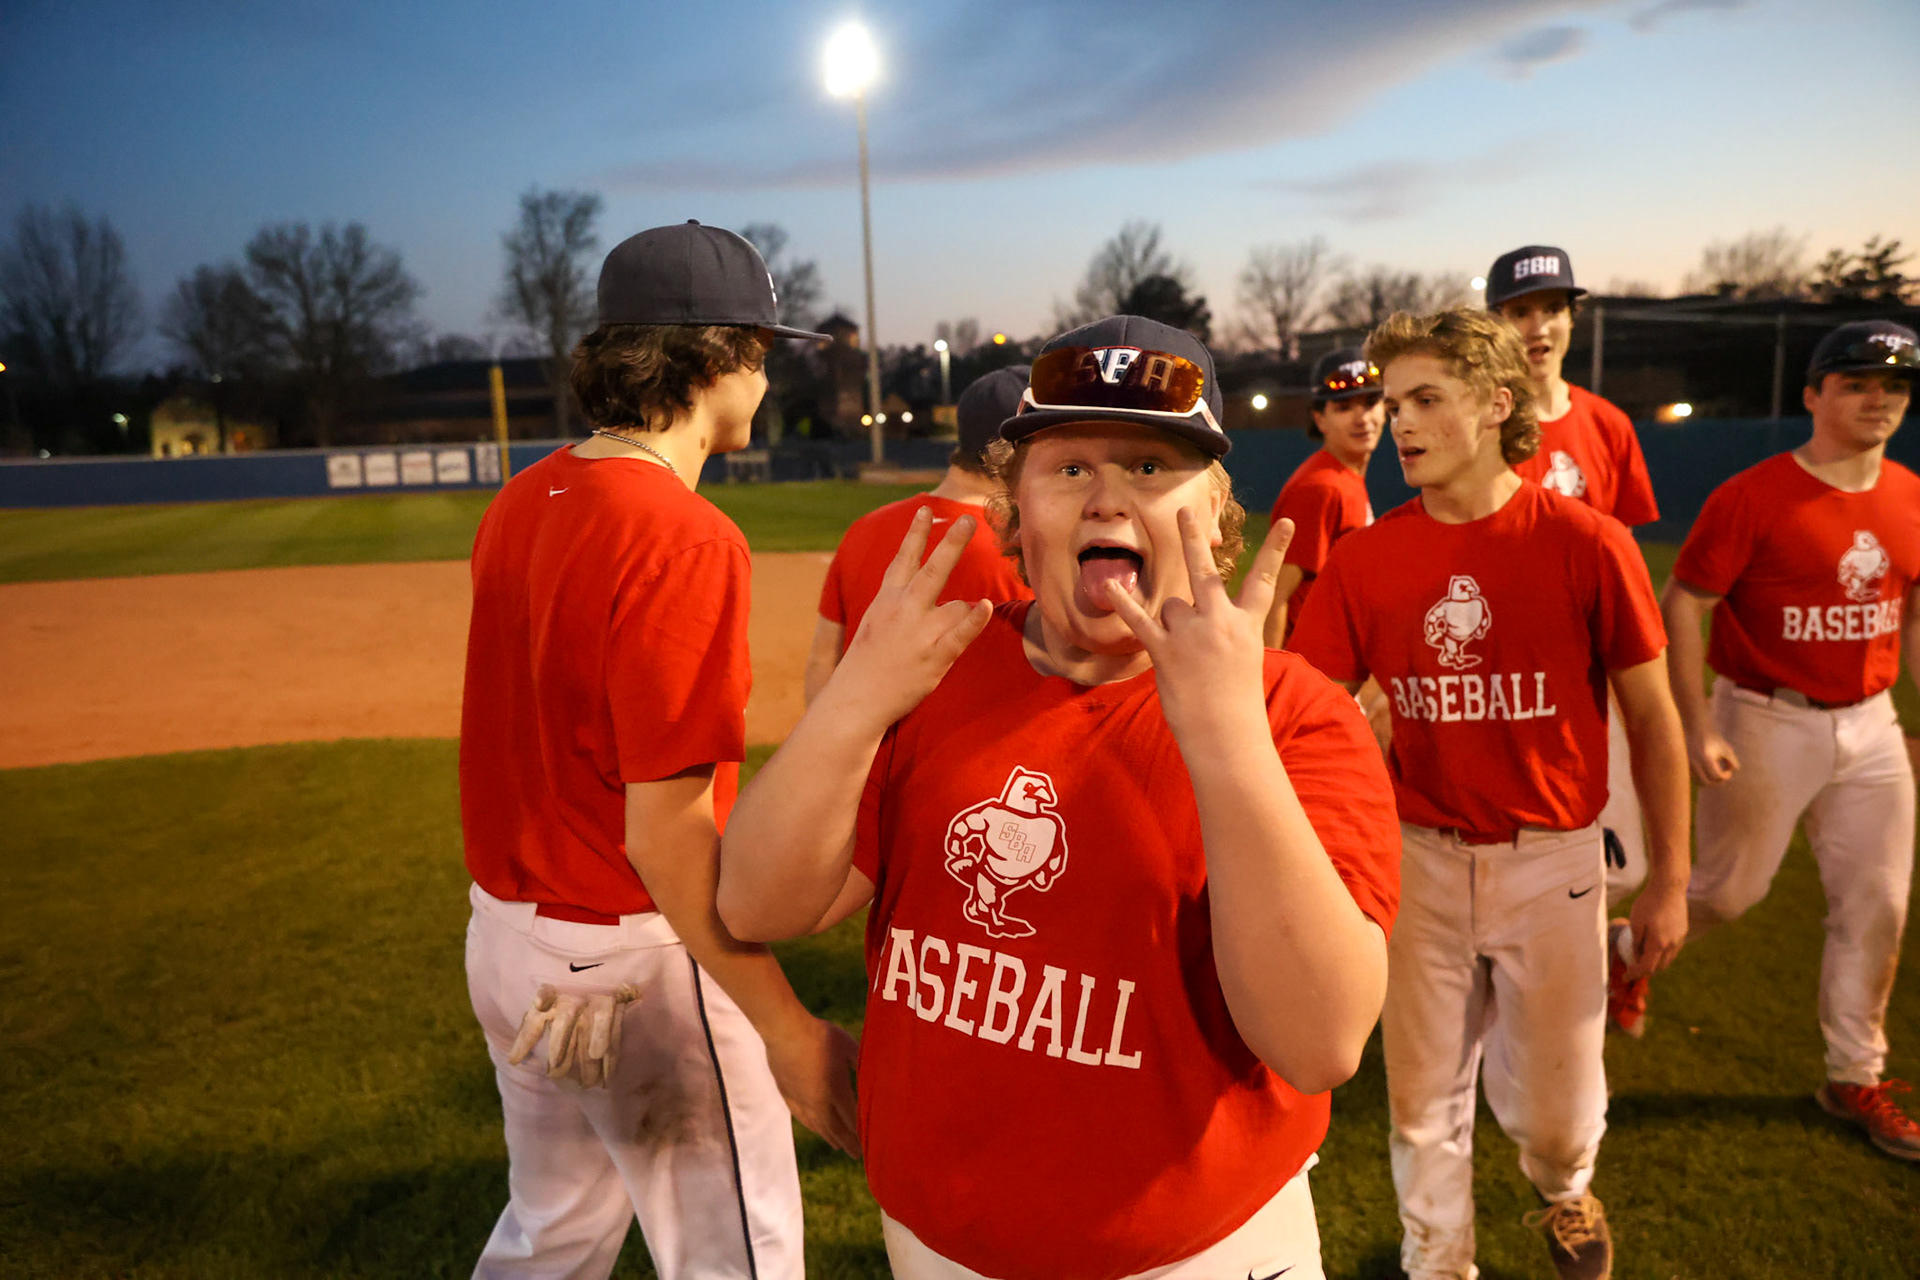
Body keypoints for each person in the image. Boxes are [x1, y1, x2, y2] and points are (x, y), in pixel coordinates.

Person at [718, 315, 1401, 1280]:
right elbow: (758, 902)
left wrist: (1225, 737)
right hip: (935, 1245)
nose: (1107, 498)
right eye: (1068, 468)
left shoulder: (1295, 714)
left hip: (1193, 1254)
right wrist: (858, 698)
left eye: (1150, 467)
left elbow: (1320, 1039)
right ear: (1016, 510)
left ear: (1213, 514)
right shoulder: (938, 669)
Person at [458, 220, 859, 1280]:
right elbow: (668, 825)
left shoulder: (521, 498)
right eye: (762, 353)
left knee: (554, 1230)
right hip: (628, 963)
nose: (766, 379)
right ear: (712, 356)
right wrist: (787, 1026)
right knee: (740, 1256)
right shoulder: (685, 535)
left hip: (504, 941)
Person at [1289, 307, 1690, 1280]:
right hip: (1417, 857)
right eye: (1394, 404)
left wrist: (1672, 875)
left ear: (1498, 403)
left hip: (1553, 857)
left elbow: (1652, 717)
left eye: (1428, 398)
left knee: (1558, 1109)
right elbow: (1304, 710)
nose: (1403, 424)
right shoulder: (1369, 556)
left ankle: (1564, 1184)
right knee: (1422, 1094)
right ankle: (1439, 1259)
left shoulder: (1587, 542)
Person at [1658, 319, 1920, 1162]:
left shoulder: (1911, 492)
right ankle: (1618, 956)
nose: (1877, 397)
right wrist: (1697, 722)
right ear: (1813, 395)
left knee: (1877, 903)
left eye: (1893, 385)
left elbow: (1909, 610)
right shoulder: (1753, 494)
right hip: (1767, 715)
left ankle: (1854, 1074)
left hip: (1871, 720)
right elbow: (1686, 599)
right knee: (1728, 894)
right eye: (1855, 383)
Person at [1486, 244, 1664, 1030]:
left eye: (1550, 309)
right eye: (1519, 311)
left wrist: (1640, 671)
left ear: (1570, 319)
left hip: (1594, 677)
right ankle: (1523, 1003)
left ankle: (1605, 957)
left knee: (1625, 857)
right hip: (1503, 676)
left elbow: (1629, 561)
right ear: (1495, 324)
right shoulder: (1483, 426)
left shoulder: (1608, 424)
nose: (1537, 325)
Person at [804, 365, 1033, 703]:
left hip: (864, 750)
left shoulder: (863, 529)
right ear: (1015, 453)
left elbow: (824, 659)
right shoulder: (1020, 550)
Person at [1262, 347, 1383, 648]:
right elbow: (1273, 596)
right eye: (1343, 407)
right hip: (1313, 669)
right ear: (1320, 419)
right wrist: (1271, 687)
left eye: (1370, 402)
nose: (1362, 418)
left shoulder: (1345, 476)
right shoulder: (1322, 487)